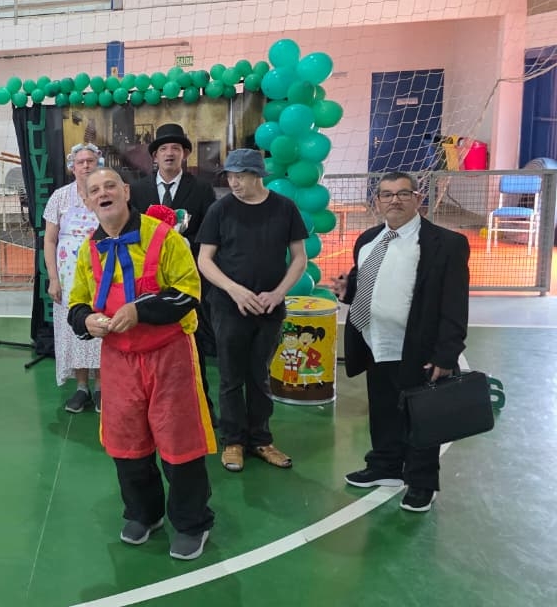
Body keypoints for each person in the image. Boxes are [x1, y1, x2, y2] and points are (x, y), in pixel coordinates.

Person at [66, 168, 215, 560]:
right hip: (118, 361)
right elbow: (77, 302)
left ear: (126, 191)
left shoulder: (164, 237)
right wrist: (87, 320)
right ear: (88, 202)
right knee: (126, 443)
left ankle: (192, 522)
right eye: (94, 190)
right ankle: (143, 513)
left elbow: (188, 292)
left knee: (179, 443)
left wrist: (141, 310)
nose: (103, 193)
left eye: (110, 185)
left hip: (170, 356)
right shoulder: (89, 250)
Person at [333, 172, 469, 512]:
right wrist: (347, 292)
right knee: (382, 409)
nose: (395, 200)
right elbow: (367, 283)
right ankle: (386, 465)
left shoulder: (445, 244)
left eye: (403, 193)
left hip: (417, 347)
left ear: (417, 199)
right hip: (375, 342)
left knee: (421, 416)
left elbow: (455, 304)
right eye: (387, 194)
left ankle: (422, 482)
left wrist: (447, 354)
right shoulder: (368, 239)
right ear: (377, 201)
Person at [196, 149, 307, 473]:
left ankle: (260, 439)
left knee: (259, 374)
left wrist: (278, 293)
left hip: (269, 306)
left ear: (257, 175)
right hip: (229, 307)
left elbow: (299, 257)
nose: (234, 182)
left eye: (240, 176)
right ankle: (233, 441)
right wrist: (234, 290)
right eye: (230, 176)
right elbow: (205, 260)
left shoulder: (285, 208)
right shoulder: (220, 210)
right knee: (230, 375)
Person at [130, 124, 218, 415]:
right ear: (155, 156)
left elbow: (211, 232)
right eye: (164, 149)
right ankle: (152, 407)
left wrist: (184, 244)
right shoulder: (138, 190)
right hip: (148, 279)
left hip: (187, 277)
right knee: (149, 341)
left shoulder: (201, 189)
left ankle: (202, 405)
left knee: (193, 341)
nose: (170, 153)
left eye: (176, 148)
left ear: (185, 154)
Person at [43, 143, 104, 413]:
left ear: (98, 164)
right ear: (72, 167)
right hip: (68, 281)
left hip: (101, 277)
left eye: (91, 160)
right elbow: (49, 240)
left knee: (100, 329)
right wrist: (53, 279)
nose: (86, 165)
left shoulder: (105, 193)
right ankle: (81, 388)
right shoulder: (59, 197)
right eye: (80, 162)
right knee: (74, 329)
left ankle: (101, 388)